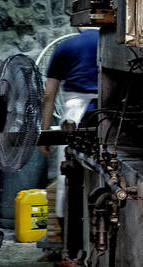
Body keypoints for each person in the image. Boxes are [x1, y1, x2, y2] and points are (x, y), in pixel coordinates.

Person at [39, 27, 99, 219]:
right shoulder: (115, 44)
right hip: (111, 113)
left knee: (67, 174)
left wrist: (45, 133)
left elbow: (49, 95)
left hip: (75, 114)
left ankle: (68, 230)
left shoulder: (65, 46)